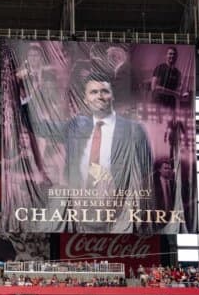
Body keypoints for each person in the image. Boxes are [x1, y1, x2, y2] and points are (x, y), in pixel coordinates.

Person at [62, 72, 154, 233]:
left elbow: (146, 174)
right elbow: (39, 127)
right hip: (80, 216)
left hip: (121, 218)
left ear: (113, 96)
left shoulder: (134, 129)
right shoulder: (75, 127)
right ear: (85, 99)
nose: (100, 96)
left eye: (104, 91)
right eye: (93, 92)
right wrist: (21, 92)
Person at [150, 46, 182, 112]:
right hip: (158, 105)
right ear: (166, 55)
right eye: (170, 54)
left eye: (174, 54)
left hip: (171, 107)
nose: (172, 56)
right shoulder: (159, 68)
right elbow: (154, 88)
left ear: (176, 57)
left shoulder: (178, 73)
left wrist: (183, 93)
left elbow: (178, 89)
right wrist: (174, 93)